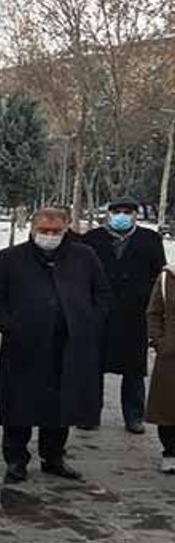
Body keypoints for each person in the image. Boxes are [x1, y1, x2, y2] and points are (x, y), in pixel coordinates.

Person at [0, 208, 111, 484]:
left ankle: (53, 457)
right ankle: (16, 460)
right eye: (44, 231)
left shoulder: (84, 256)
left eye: (56, 232)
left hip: (69, 346)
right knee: (18, 404)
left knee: (61, 405)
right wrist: (10, 326)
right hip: (23, 347)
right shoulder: (10, 258)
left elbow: (101, 294)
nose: (50, 236)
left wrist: (88, 323)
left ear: (66, 229)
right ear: (32, 229)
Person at [82, 196, 166, 434]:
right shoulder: (93, 239)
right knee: (92, 366)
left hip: (135, 314)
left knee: (134, 370)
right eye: (117, 211)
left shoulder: (150, 239)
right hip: (99, 312)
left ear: (135, 214)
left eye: (127, 211)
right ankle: (89, 414)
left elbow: (158, 275)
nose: (122, 215)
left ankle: (134, 417)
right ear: (108, 213)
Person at [146, 262, 175, 472]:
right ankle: (170, 453)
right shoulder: (168, 277)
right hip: (171, 354)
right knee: (167, 406)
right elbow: (154, 312)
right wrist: (160, 342)